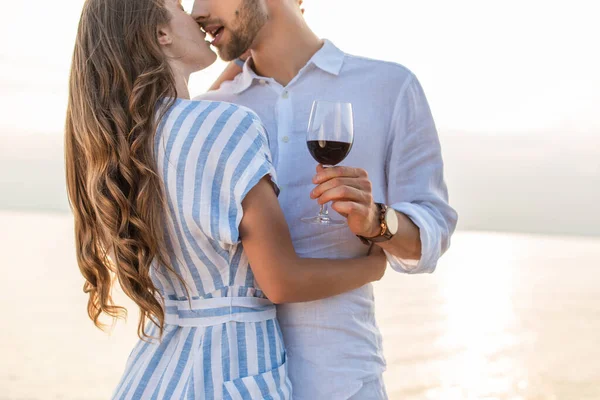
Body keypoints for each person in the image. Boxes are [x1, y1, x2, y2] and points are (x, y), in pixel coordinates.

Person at [64, 0, 387, 398]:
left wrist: (232, 72)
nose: (196, 15)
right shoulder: (226, 125)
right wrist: (373, 266)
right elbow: (282, 281)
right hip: (231, 374)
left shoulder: (118, 147)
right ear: (161, 34)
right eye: (180, 7)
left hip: (155, 373)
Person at [193, 0, 459, 398]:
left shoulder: (388, 87)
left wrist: (378, 222)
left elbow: (432, 232)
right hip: (228, 382)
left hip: (342, 380)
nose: (196, 10)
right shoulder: (210, 111)